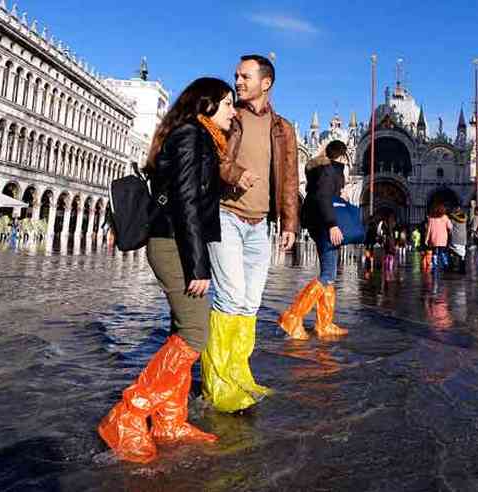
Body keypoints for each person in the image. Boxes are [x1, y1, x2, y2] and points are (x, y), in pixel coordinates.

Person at [97, 78, 235, 463]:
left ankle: (170, 420)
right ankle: (128, 414)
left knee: (182, 328)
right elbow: (186, 202)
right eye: (227, 103)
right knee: (195, 332)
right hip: (174, 243)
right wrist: (197, 264)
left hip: (176, 241)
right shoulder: (192, 136)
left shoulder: (191, 136)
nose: (232, 111)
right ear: (206, 105)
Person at [201, 54, 299, 413]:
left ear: (266, 82)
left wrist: (289, 223)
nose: (238, 81)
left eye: (245, 76)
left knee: (250, 301)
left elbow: (288, 178)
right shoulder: (229, 115)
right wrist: (234, 173)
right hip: (226, 214)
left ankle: (239, 373)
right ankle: (217, 383)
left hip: (260, 224)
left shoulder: (283, 127)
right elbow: (210, 156)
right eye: (236, 75)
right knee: (229, 297)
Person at [277, 140, 349, 340]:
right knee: (327, 274)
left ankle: (324, 323)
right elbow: (324, 198)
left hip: (319, 223)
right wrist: (332, 224)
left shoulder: (322, 170)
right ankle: (293, 317)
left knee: (330, 274)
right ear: (343, 156)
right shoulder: (328, 171)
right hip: (325, 225)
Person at [424, 202, 452, 272]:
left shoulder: (431, 218)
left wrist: (426, 239)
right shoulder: (445, 217)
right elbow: (450, 227)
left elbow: (428, 230)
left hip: (433, 239)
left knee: (434, 253)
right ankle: (445, 263)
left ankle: (434, 265)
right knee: (442, 252)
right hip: (443, 240)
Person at [448, 208, 468, 273]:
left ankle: (451, 267)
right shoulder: (464, 221)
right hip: (463, 240)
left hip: (454, 239)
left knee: (451, 253)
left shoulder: (452, 220)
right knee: (462, 255)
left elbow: (449, 229)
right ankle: (462, 268)